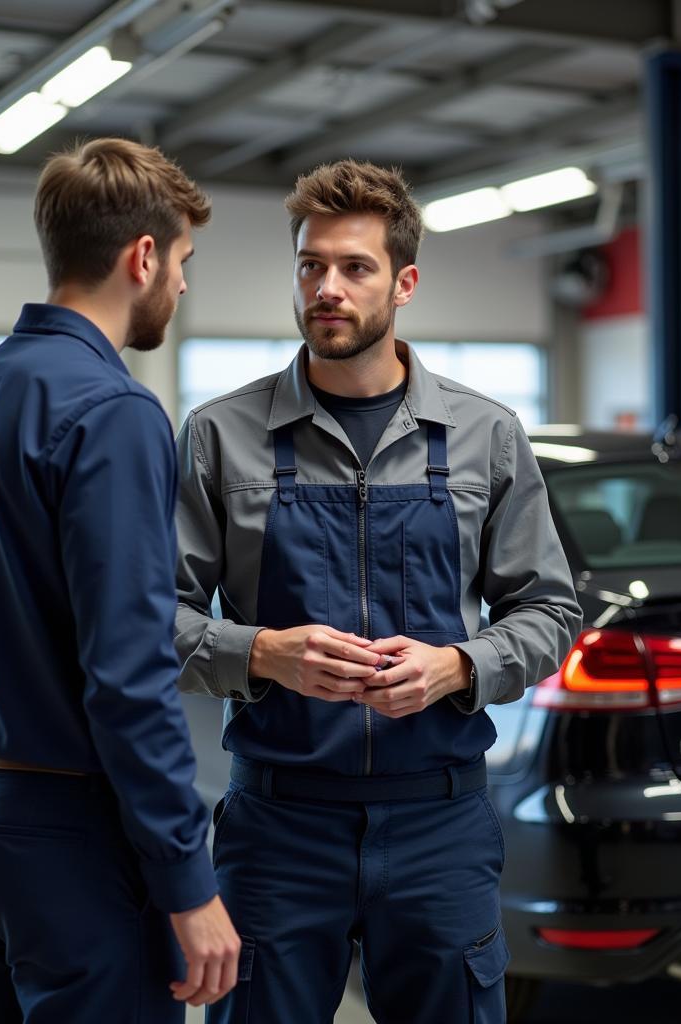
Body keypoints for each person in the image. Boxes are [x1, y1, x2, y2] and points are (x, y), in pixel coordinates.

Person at [174, 159, 583, 1023]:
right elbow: (149, 620)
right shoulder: (219, 435)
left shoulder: (486, 436)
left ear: (404, 284)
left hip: (439, 823)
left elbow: (550, 610)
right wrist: (261, 653)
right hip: (278, 827)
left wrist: (460, 667)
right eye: (310, 265)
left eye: (354, 268)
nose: (327, 287)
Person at [0, 138, 240, 1024]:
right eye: (183, 262)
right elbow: (129, 675)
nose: (183, 286)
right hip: (70, 837)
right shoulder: (114, 413)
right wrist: (189, 882)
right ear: (142, 256)